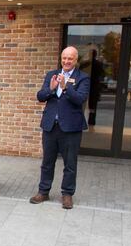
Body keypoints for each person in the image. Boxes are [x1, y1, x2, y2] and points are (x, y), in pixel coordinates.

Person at [31, 47, 90, 210]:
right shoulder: (52, 74)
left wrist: (65, 87)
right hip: (51, 125)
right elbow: (40, 96)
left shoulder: (82, 78)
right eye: (64, 58)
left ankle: (67, 194)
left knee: (70, 163)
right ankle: (43, 191)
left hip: (71, 128)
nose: (66, 61)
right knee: (47, 162)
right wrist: (51, 89)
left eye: (70, 58)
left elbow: (80, 99)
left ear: (76, 60)